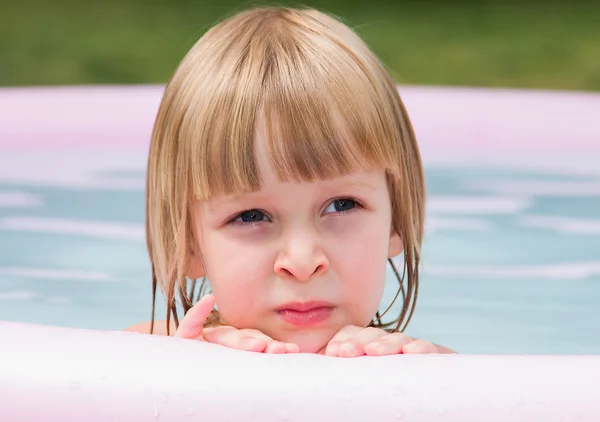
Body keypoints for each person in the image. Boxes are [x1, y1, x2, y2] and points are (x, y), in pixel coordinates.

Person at [126, 6, 455, 357]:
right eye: (250, 215)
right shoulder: (156, 350)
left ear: (396, 222)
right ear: (189, 244)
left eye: (342, 205)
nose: (301, 262)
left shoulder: (426, 366)